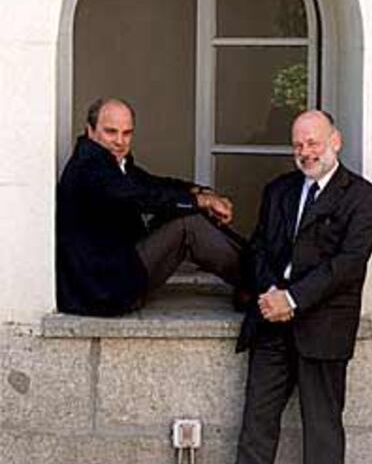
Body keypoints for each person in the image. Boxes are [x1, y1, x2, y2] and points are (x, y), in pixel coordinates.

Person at [190, 110, 372, 464]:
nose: (305, 152)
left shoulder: (364, 198)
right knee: (257, 422)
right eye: (298, 145)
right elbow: (257, 248)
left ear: (336, 141)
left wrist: (292, 300)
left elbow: (347, 266)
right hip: (271, 324)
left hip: (322, 326)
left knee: (322, 427)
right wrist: (269, 292)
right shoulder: (278, 190)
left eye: (313, 143)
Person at [57, 97, 245, 316]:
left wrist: (199, 192)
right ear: (90, 130)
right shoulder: (90, 168)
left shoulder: (110, 160)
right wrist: (201, 202)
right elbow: (141, 197)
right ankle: (260, 281)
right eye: (111, 132)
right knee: (187, 224)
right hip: (103, 289)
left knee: (185, 210)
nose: (120, 141)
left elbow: (151, 183)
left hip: (117, 271)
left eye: (127, 133)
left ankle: (257, 273)